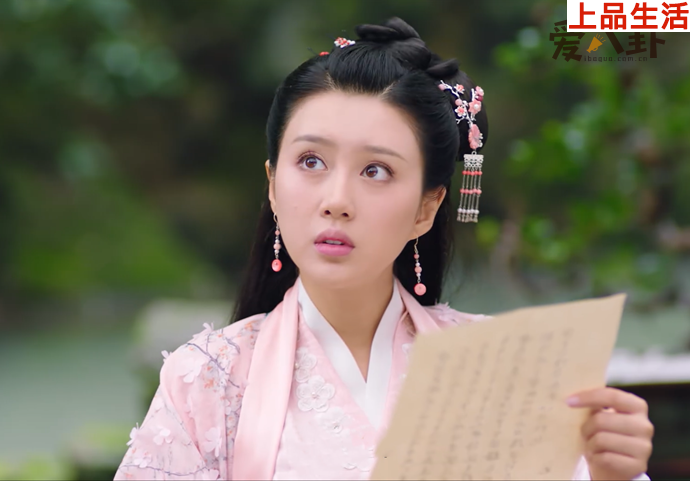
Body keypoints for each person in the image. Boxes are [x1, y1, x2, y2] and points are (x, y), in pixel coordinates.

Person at [114, 17, 654, 481]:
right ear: (273, 184)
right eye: (310, 162)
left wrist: (610, 474)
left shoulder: (506, 370)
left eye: (376, 170)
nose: (336, 200)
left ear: (426, 207)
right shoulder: (208, 379)